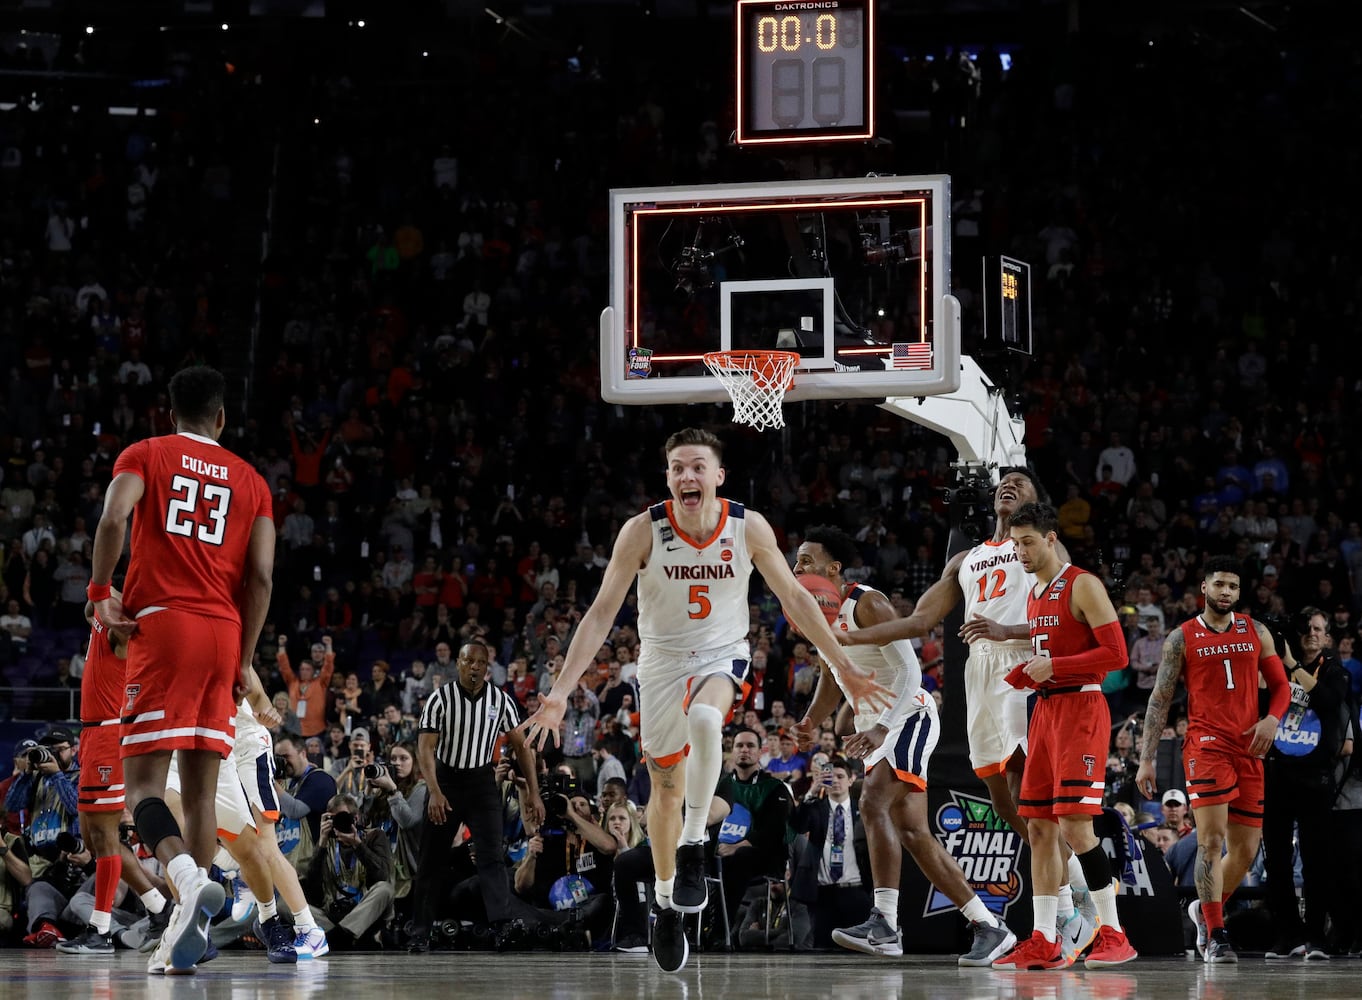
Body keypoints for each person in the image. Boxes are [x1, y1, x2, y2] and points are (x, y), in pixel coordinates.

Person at [518, 427, 891, 974]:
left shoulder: (748, 527)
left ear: (718, 476)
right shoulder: (642, 531)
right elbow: (600, 613)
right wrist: (557, 695)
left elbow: (795, 598)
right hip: (661, 664)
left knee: (706, 715)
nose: (687, 476)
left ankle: (696, 845)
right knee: (665, 795)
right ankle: (667, 905)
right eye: (677, 468)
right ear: (668, 476)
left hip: (721, 656)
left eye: (698, 467)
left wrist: (844, 667)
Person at [88, 365, 274, 974]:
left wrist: (99, 590)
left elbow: (115, 517)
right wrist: (245, 661)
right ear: (222, 418)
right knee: (198, 798)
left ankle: (187, 878)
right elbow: (263, 577)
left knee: (140, 786)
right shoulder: (252, 481)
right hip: (223, 633)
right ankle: (182, 938)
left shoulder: (145, 453)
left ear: (171, 414)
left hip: (164, 625)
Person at [791, 525, 1016, 966]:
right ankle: (989, 925)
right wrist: (810, 720)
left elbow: (912, 674)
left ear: (833, 568)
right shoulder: (813, 612)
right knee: (914, 833)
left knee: (871, 802)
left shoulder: (867, 603)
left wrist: (882, 728)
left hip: (907, 716)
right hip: (878, 727)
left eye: (805, 560)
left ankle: (885, 924)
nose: (796, 567)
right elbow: (831, 674)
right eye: (795, 561)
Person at [991, 502, 1137, 970]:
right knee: (1038, 827)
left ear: (1052, 538)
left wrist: (1054, 667)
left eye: (1028, 542)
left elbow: (1116, 655)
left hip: (1083, 709)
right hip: (1047, 711)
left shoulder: (1083, 584)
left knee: (1076, 825)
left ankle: (1113, 933)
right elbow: (1055, 653)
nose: (1021, 552)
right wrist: (1030, 674)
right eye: (1015, 544)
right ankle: (1044, 937)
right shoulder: (1035, 593)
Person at [1135, 556, 1291, 964]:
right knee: (1211, 840)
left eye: (1233, 587)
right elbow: (1160, 699)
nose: (1226, 592)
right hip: (1205, 746)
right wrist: (1146, 758)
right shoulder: (1180, 637)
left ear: (1238, 593)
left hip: (1249, 747)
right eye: (1219, 584)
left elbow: (1281, 686)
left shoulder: (1255, 631)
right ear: (1204, 588)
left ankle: (1205, 912)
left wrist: (1273, 718)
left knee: (1246, 849)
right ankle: (1217, 933)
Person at [408, 640, 544, 953]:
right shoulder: (440, 699)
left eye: (481, 662)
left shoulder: (501, 700)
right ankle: (420, 931)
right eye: (469, 661)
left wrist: (534, 793)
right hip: (446, 779)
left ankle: (502, 926)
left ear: (487, 666)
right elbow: (425, 749)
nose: (475, 667)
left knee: (491, 856)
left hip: (481, 779)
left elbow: (522, 747)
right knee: (432, 857)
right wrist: (434, 792)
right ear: (458, 663)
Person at [55, 597, 170, 955]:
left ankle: (100, 931)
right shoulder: (101, 621)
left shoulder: (121, 631)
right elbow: (94, 602)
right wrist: (103, 594)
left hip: (107, 736)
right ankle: (158, 907)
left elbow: (101, 592)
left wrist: (111, 589)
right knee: (92, 840)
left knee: (105, 838)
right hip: (91, 736)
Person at [1260, 607, 1350, 960]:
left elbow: (1328, 702)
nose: (1311, 633)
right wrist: (1277, 662)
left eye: (1318, 629)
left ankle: (1315, 935)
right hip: (1279, 775)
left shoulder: (1335, 671)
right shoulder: (1275, 669)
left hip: (1316, 778)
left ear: (1327, 637)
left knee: (1316, 861)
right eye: (1306, 628)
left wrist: (1293, 665)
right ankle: (1287, 934)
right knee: (1277, 861)